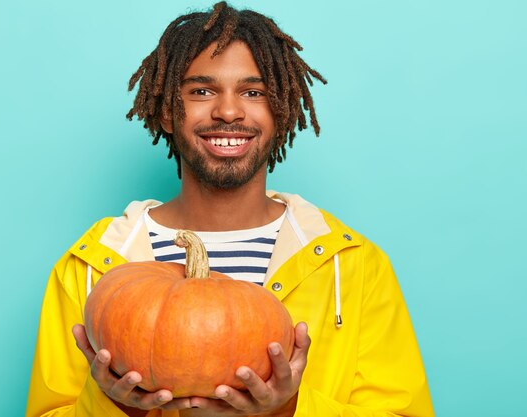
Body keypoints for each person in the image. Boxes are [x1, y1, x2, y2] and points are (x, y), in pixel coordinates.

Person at [25, 2, 435, 416]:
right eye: (202, 91)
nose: (227, 111)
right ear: (167, 110)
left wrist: (287, 408)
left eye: (253, 92)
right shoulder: (90, 266)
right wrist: (115, 405)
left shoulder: (353, 265)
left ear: (281, 111)